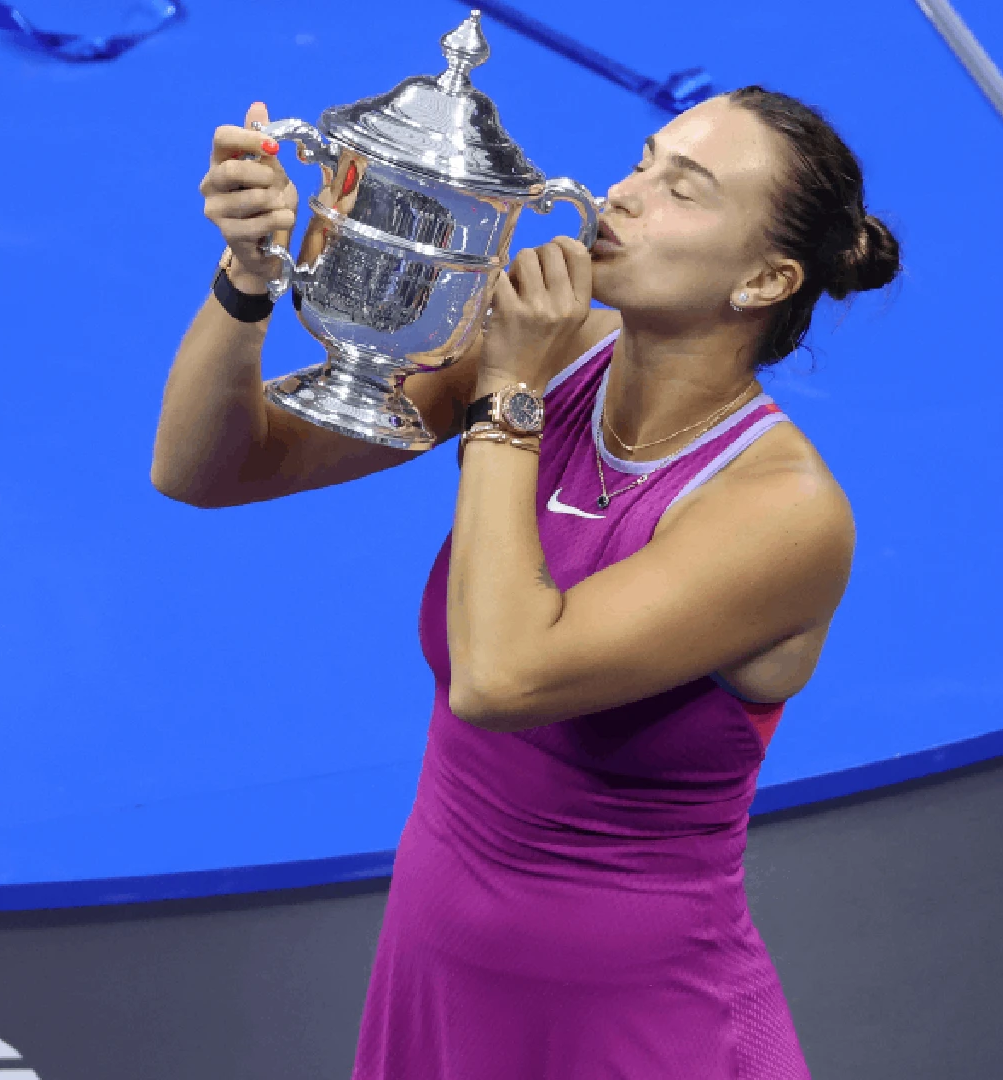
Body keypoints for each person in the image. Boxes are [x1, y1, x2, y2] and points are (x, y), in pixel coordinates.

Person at [152, 86, 900, 1079]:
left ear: (764, 279)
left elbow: (500, 678)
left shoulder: (784, 511)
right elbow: (208, 469)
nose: (625, 196)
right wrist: (248, 282)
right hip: (437, 979)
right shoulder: (547, 359)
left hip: (636, 1029)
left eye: (685, 189)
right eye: (643, 161)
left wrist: (506, 394)